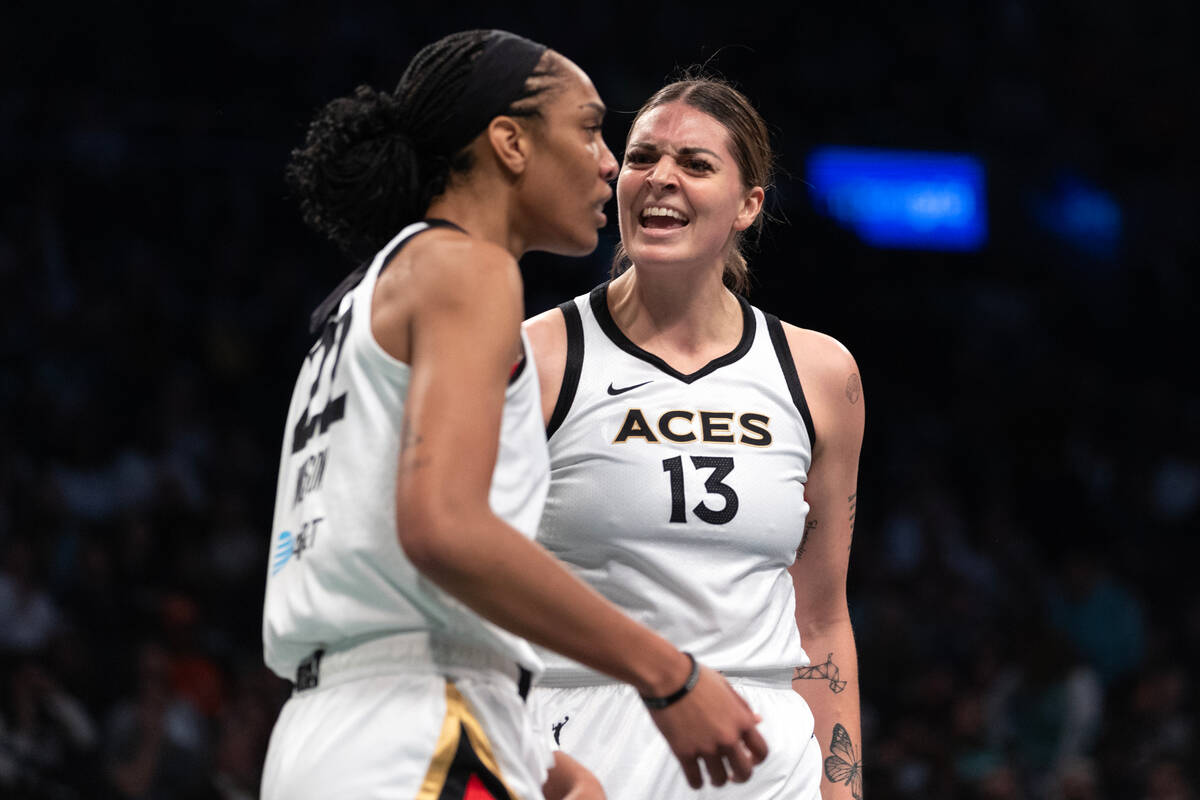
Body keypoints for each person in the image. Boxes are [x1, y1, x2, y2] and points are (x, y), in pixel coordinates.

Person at [259, 33, 768, 800]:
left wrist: (540, 764)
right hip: (416, 731)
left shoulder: (366, 294)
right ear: (510, 142)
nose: (609, 162)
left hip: (334, 731)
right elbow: (443, 528)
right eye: (591, 129)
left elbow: (382, 576)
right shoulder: (470, 268)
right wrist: (672, 675)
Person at [524, 76, 865, 798]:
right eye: (643, 157)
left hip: (770, 761)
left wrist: (843, 790)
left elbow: (823, 618)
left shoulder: (821, 374)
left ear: (750, 204)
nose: (661, 179)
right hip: (587, 747)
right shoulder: (536, 358)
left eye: (696, 164)